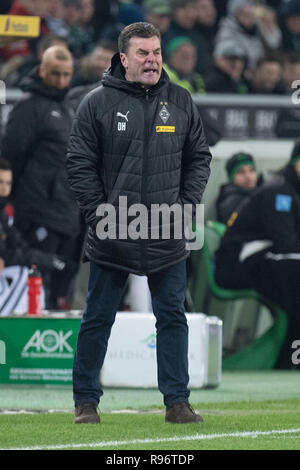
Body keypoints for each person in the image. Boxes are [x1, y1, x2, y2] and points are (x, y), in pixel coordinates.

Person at [67, 22, 212, 424]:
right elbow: (79, 163)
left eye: (157, 52)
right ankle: (85, 402)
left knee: (172, 316)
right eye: (144, 54)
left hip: (166, 227)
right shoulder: (96, 103)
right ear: (124, 58)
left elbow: (199, 157)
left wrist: (186, 205)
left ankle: (177, 403)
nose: (152, 60)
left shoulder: (181, 100)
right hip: (114, 227)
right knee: (98, 315)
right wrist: (99, 213)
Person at [1, 46, 81, 310]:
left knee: (60, 287)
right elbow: (10, 157)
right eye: (55, 73)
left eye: (66, 75)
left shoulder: (68, 109)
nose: (60, 81)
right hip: (36, 211)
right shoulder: (28, 108)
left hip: (65, 213)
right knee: (37, 283)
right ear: (42, 69)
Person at [215, 141, 300, 367]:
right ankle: (288, 359)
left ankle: (288, 358)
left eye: (251, 170)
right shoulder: (278, 189)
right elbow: (286, 242)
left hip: (266, 259)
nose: (248, 176)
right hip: (239, 264)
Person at [0, 158, 69, 316]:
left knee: (30, 273)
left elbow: (20, 248)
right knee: (22, 277)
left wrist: (49, 260)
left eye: (8, 183)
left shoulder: (3, 216)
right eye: (0, 182)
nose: (4, 188)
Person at [216, 152, 258, 224]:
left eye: (251, 170)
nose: (248, 176)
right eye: (241, 172)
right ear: (231, 178)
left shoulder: (262, 192)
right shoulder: (231, 201)